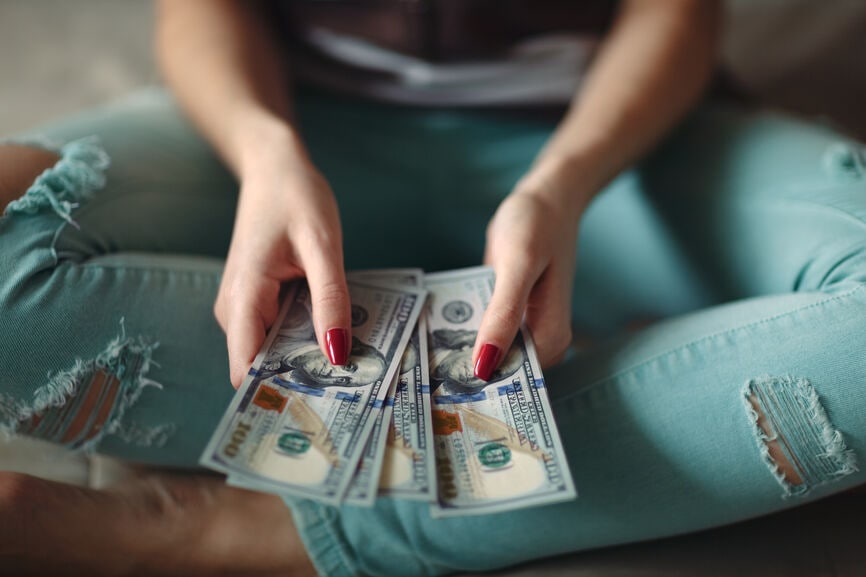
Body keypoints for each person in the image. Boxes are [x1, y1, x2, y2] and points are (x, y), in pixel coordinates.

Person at [1, 0, 865, 575]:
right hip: (292, 128)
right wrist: (265, 154)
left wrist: (560, 183)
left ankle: (284, 531)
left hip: (614, 144)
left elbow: (677, 11)